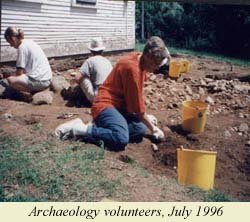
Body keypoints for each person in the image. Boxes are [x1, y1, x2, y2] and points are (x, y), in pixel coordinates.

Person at [55, 36, 167, 151]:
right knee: (121, 139)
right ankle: (80, 129)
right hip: (105, 104)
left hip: (118, 106)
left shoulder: (138, 57)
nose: (156, 68)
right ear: (148, 57)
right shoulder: (133, 71)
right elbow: (138, 110)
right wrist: (153, 129)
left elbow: (135, 106)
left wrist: (147, 122)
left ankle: (98, 127)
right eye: (155, 64)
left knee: (140, 129)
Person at [1, 27, 52, 94]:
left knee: (10, 80)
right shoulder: (29, 42)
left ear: (13, 39)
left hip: (40, 82)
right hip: (47, 78)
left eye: (10, 42)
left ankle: (31, 92)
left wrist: (7, 76)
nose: (11, 45)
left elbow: (19, 73)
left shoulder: (22, 47)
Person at [72, 37, 112, 103]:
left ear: (91, 51)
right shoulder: (107, 61)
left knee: (83, 78)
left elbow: (77, 78)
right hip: (110, 95)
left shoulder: (90, 61)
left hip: (99, 97)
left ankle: (81, 97)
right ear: (102, 51)